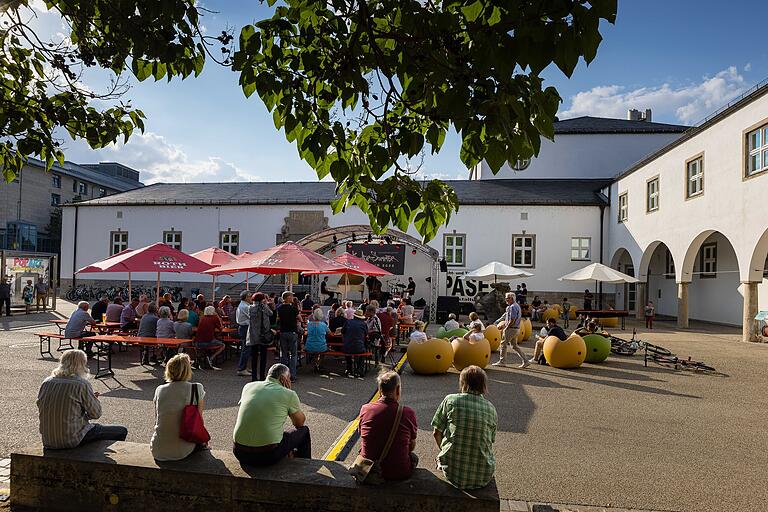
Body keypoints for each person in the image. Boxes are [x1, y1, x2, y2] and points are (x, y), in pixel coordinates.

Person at [36, 349, 128, 449]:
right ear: (81, 364)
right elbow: (96, 414)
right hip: (71, 439)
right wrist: (93, 400)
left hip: (48, 440)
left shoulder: (46, 382)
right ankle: (95, 458)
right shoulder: (81, 384)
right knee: (121, 431)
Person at [431, 365, 496, 490]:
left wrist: (444, 451)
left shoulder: (450, 400)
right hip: (483, 476)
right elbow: (490, 441)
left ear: (463, 383)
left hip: (453, 473)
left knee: (443, 454)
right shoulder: (491, 409)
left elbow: (436, 432)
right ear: (483, 386)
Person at [233, 363, 311, 466]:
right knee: (304, 431)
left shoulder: (248, 386)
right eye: (289, 378)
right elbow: (299, 423)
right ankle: (304, 467)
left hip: (239, 452)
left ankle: (290, 455)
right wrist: (289, 393)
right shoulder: (288, 394)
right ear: (283, 379)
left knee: (274, 431)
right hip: (267, 455)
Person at [358, 371, 418, 481]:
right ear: (398, 389)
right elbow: (412, 445)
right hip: (398, 472)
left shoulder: (365, 409)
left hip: (369, 470)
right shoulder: (407, 413)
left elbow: (362, 434)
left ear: (380, 390)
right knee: (414, 457)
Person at [150, 354, 206, 461]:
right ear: (187, 370)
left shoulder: (159, 389)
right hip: (182, 450)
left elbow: (157, 418)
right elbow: (199, 420)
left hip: (157, 448)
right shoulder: (196, 388)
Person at [491, 292, 529, 368]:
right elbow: (505, 315)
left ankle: (502, 362)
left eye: (507, 298)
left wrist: (505, 327)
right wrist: (498, 321)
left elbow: (512, 320)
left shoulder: (512, 307)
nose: (505, 299)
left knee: (503, 344)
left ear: (511, 299)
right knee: (514, 346)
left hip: (511, 329)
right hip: (516, 329)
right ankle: (526, 361)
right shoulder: (515, 306)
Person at [247, 292, 274, 382]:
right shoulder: (264, 307)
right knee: (263, 356)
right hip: (263, 334)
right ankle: (262, 375)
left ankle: (254, 377)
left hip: (253, 334)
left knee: (254, 357)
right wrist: (265, 304)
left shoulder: (250, 308)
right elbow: (271, 313)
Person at [276, 291, 300, 381]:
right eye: (291, 296)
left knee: (283, 354)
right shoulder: (293, 308)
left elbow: (277, 319)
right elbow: (300, 318)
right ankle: (292, 376)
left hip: (283, 332)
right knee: (293, 355)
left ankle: (283, 376)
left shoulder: (279, 308)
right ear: (288, 298)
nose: (293, 298)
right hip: (292, 332)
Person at [194, 306, 226, 370]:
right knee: (223, 345)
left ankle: (204, 358)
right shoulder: (214, 318)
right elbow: (221, 329)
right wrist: (218, 317)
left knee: (209, 342)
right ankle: (211, 357)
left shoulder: (202, 318)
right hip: (208, 341)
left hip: (197, 342)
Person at [342, 309, 368, 378]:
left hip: (347, 347)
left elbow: (342, 331)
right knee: (362, 353)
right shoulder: (363, 324)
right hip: (359, 347)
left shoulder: (348, 322)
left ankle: (349, 369)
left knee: (348, 352)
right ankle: (360, 369)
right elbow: (366, 334)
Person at [305, 307, 331, 372]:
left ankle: (315, 363)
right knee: (323, 351)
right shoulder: (323, 325)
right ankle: (318, 363)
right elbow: (330, 333)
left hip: (310, 346)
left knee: (314, 351)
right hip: (321, 346)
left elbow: (306, 333)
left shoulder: (309, 324)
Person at [236, 291, 253, 377]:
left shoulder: (243, 305)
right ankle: (241, 368)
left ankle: (243, 367)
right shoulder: (245, 306)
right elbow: (252, 317)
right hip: (245, 327)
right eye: (250, 297)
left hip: (244, 327)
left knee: (246, 349)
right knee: (246, 349)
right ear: (246, 297)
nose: (251, 298)